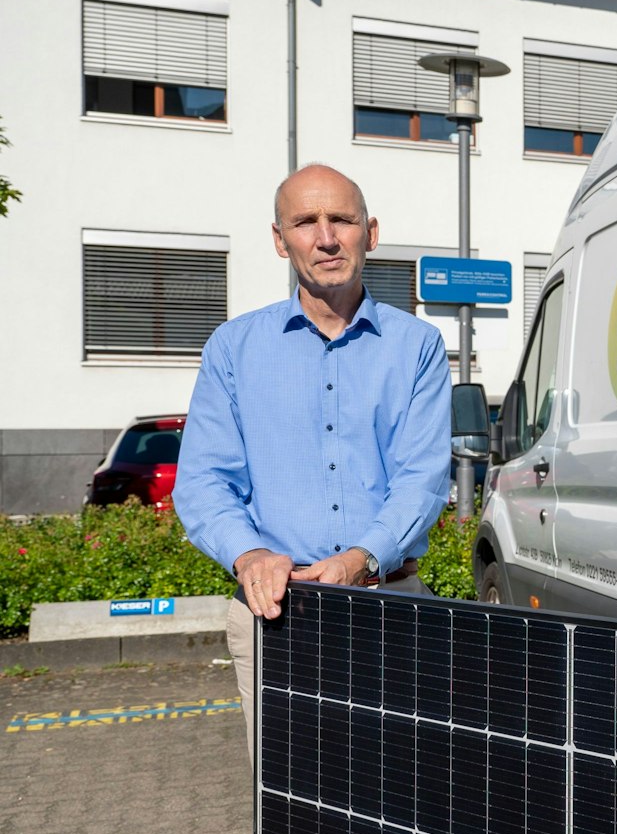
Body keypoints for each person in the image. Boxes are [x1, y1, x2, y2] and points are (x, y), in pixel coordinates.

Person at [176, 163, 451, 753]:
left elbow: (423, 479)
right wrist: (248, 555)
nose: (326, 238)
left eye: (342, 220)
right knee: (294, 816)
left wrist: (362, 558)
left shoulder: (418, 346)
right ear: (280, 240)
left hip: (391, 609)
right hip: (278, 616)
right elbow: (202, 482)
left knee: (406, 807)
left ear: (370, 233)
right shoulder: (233, 348)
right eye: (306, 222)